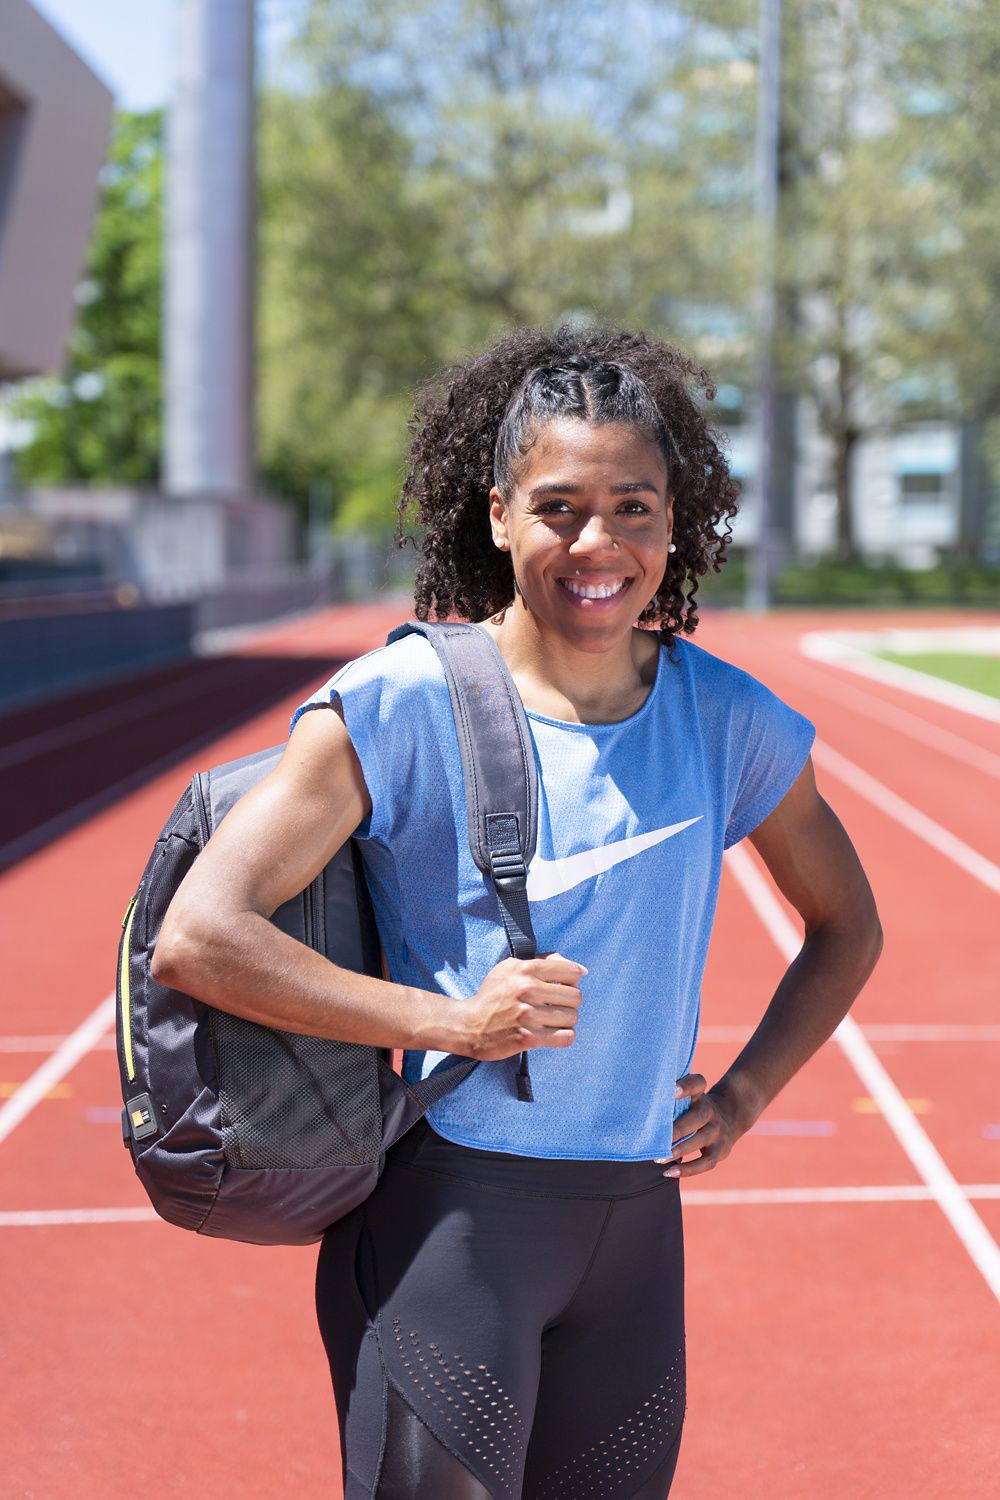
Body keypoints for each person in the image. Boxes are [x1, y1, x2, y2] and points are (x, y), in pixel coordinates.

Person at [154, 326, 883, 1499]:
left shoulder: (726, 719)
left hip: (637, 1230)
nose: (599, 544)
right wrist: (454, 1023)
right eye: (560, 507)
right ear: (497, 515)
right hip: (454, 1220)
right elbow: (201, 936)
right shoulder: (399, 701)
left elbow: (848, 925)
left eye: (634, 508)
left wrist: (747, 1093)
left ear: (673, 522)